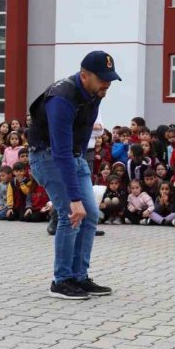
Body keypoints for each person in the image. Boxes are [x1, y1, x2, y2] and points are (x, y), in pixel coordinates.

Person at [26, 51, 119, 300]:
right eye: (103, 80)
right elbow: (60, 152)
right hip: (48, 157)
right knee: (71, 215)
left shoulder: (94, 93)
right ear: (84, 75)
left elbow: (82, 134)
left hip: (74, 157)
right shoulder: (61, 99)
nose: (107, 85)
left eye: (110, 79)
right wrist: (74, 198)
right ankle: (62, 280)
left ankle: (79, 277)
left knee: (89, 214)